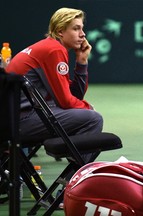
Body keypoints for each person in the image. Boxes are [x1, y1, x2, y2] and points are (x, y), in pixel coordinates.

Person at [5, 8, 103, 163]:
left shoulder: (48, 47)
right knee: (93, 119)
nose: (83, 34)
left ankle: (73, 171)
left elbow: (73, 96)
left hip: (12, 120)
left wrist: (81, 61)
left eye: (82, 28)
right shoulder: (54, 50)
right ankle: (75, 179)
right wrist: (88, 107)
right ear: (60, 31)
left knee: (85, 115)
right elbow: (66, 101)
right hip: (20, 122)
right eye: (76, 28)